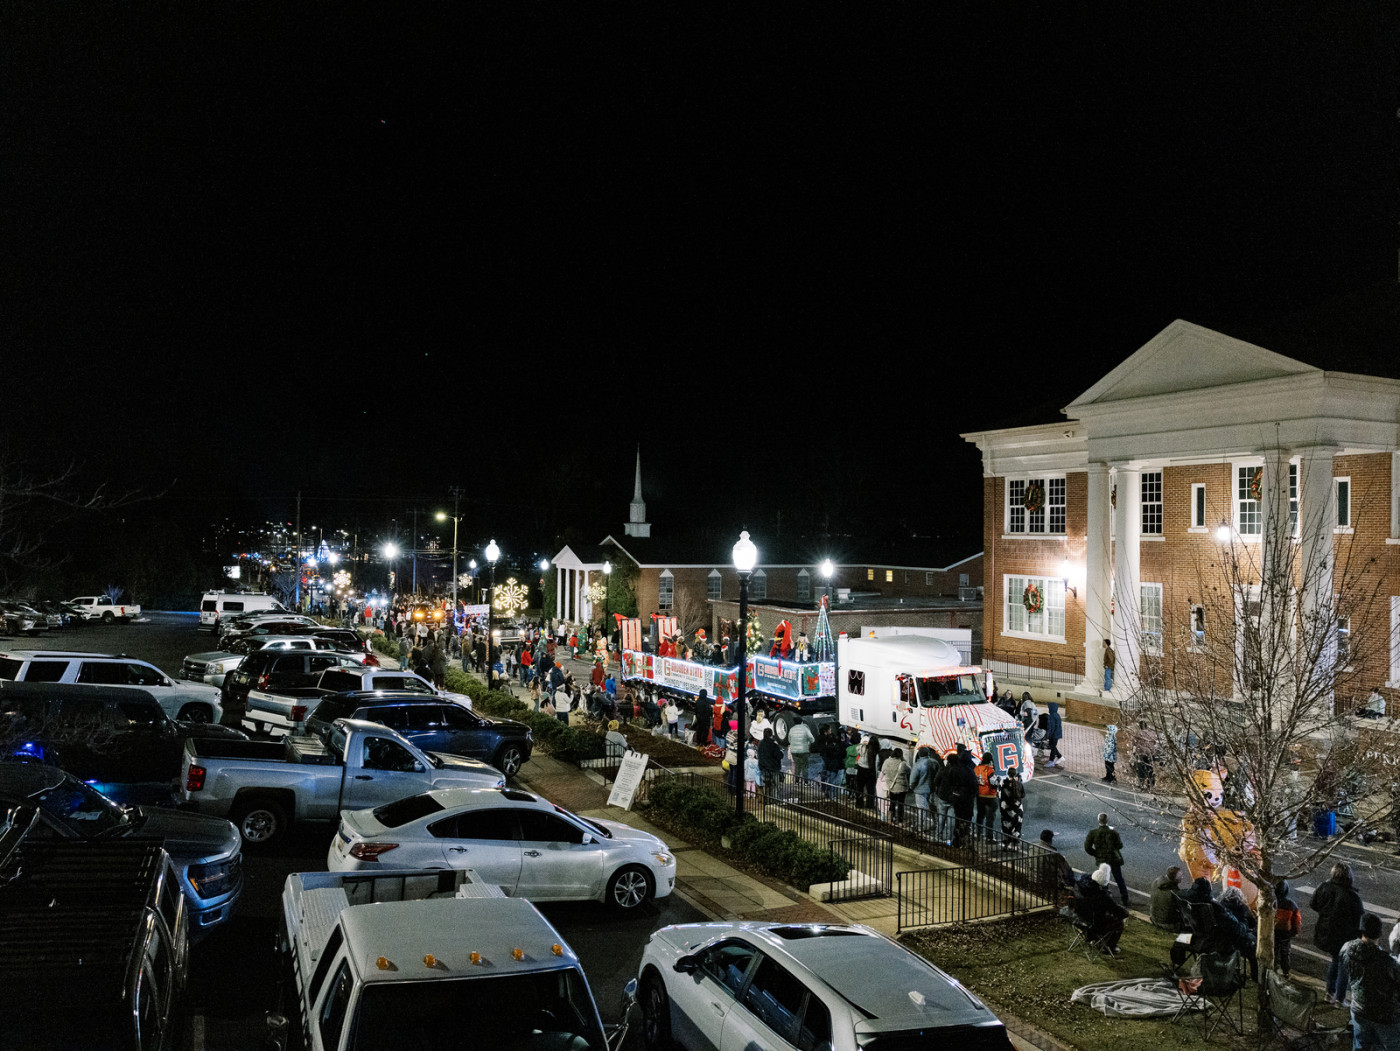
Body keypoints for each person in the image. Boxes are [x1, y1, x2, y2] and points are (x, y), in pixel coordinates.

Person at [1339, 913, 1400, 1049]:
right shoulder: (1388, 962)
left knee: (1361, 1045)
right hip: (1386, 1016)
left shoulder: (1346, 949)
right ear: (1379, 933)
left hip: (1359, 1009)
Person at [1313, 861, 1365, 1005]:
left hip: (1326, 932)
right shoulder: (1352, 896)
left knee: (1335, 961)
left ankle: (1330, 992)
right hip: (1345, 937)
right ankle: (1340, 998)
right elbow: (1360, 919)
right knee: (1343, 966)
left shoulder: (1324, 887)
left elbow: (1314, 904)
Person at [1076, 864, 1128, 955]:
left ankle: (1096, 940)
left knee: (1102, 916)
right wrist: (1126, 913)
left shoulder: (1080, 886)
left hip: (1078, 919)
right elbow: (1118, 911)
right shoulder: (1102, 896)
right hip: (1093, 925)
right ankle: (1108, 945)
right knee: (1119, 922)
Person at [1083, 813, 1129, 906]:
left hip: (1102, 860)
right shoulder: (1113, 832)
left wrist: (1095, 853)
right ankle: (1125, 899)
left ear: (1098, 821)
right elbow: (1120, 845)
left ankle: (1105, 897)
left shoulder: (1093, 833)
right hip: (1114, 859)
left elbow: (1087, 847)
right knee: (1119, 879)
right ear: (1107, 821)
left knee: (1103, 879)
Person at [1218, 886, 1259, 982]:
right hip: (1238, 942)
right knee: (1253, 949)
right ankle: (1255, 974)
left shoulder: (1220, 906)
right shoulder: (1242, 908)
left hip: (1222, 940)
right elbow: (1250, 924)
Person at [949, 744, 979, 848]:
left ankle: (956, 840)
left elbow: (950, 782)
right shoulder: (969, 771)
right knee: (966, 822)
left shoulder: (953, 769)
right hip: (966, 799)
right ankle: (964, 842)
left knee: (958, 819)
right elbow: (975, 787)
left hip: (956, 798)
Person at [1273, 879, 1303, 979]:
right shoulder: (1291, 904)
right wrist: (1295, 932)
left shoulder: (1272, 902)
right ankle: (1286, 972)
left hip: (1273, 932)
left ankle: (1273, 969)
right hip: (1286, 933)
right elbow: (1296, 920)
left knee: (1274, 951)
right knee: (1285, 953)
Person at [932, 749, 958, 844]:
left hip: (942, 797)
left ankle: (938, 838)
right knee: (951, 821)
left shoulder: (943, 770)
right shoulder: (958, 772)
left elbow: (936, 781)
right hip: (953, 799)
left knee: (941, 819)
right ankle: (949, 840)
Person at [1149, 866, 1184, 932]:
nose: (1182, 877)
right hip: (1167, 924)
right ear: (1176, 879)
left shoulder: (1156, 881)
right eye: (1181, 876)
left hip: (1153, 918)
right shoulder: (1174, 892)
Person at [881, 746, 911, 823]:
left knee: (892, 803)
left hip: (891, 786)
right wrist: (904, 760)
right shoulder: (902, 763)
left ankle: (890, 820)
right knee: (901, 805)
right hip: (901, 788)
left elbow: (883, 771)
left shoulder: (887, 761)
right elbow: (909, 770)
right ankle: (900, 822)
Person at [908, 746, 938, 822]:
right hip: (931, 789)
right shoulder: (935, 763)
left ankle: (921, 828)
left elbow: (912, 780)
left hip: (920, 791)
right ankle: (936, 822)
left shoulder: (917, 765)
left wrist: (912, 787)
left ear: (919, 754)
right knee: (932, 806)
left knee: (921, 810)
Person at [973, 751, 998, 842]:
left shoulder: (976, 768)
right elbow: (993, 783)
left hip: (980, 795)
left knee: (980, 816)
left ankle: (978, 833)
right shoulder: (990, 770)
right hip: (990, 796)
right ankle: (989, 837)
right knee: (990, 818)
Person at [999, 764, 1025, 846]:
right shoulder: (1019, 784)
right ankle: (1015, 845)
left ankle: (1005, 844)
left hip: (1006, 810)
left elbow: (999, 795)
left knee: (1006, 827)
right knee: (1017, 827)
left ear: (1007, 774)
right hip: (1017, 810)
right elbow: (1023, 795)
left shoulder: (1003, 783)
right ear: (1015, 774)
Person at [757, 728, 784, 797]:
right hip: (774, 768)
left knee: (766, 785)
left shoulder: (760, 744)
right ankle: (775, 800)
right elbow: (779, 755)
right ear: (771, 735)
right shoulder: (773, 745)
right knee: (776, 786)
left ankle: (767, 800)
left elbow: (759, 756)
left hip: (764, 768)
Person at [1044, 701, 1063, 768]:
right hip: (1057, 734)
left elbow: (1051, 727)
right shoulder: (1056, 715)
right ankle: (1059, 757)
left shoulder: (1052, 716)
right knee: (1053, 746)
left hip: (1054, 735)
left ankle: (1052, 761)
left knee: (1052, 747)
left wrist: (1048, 736)